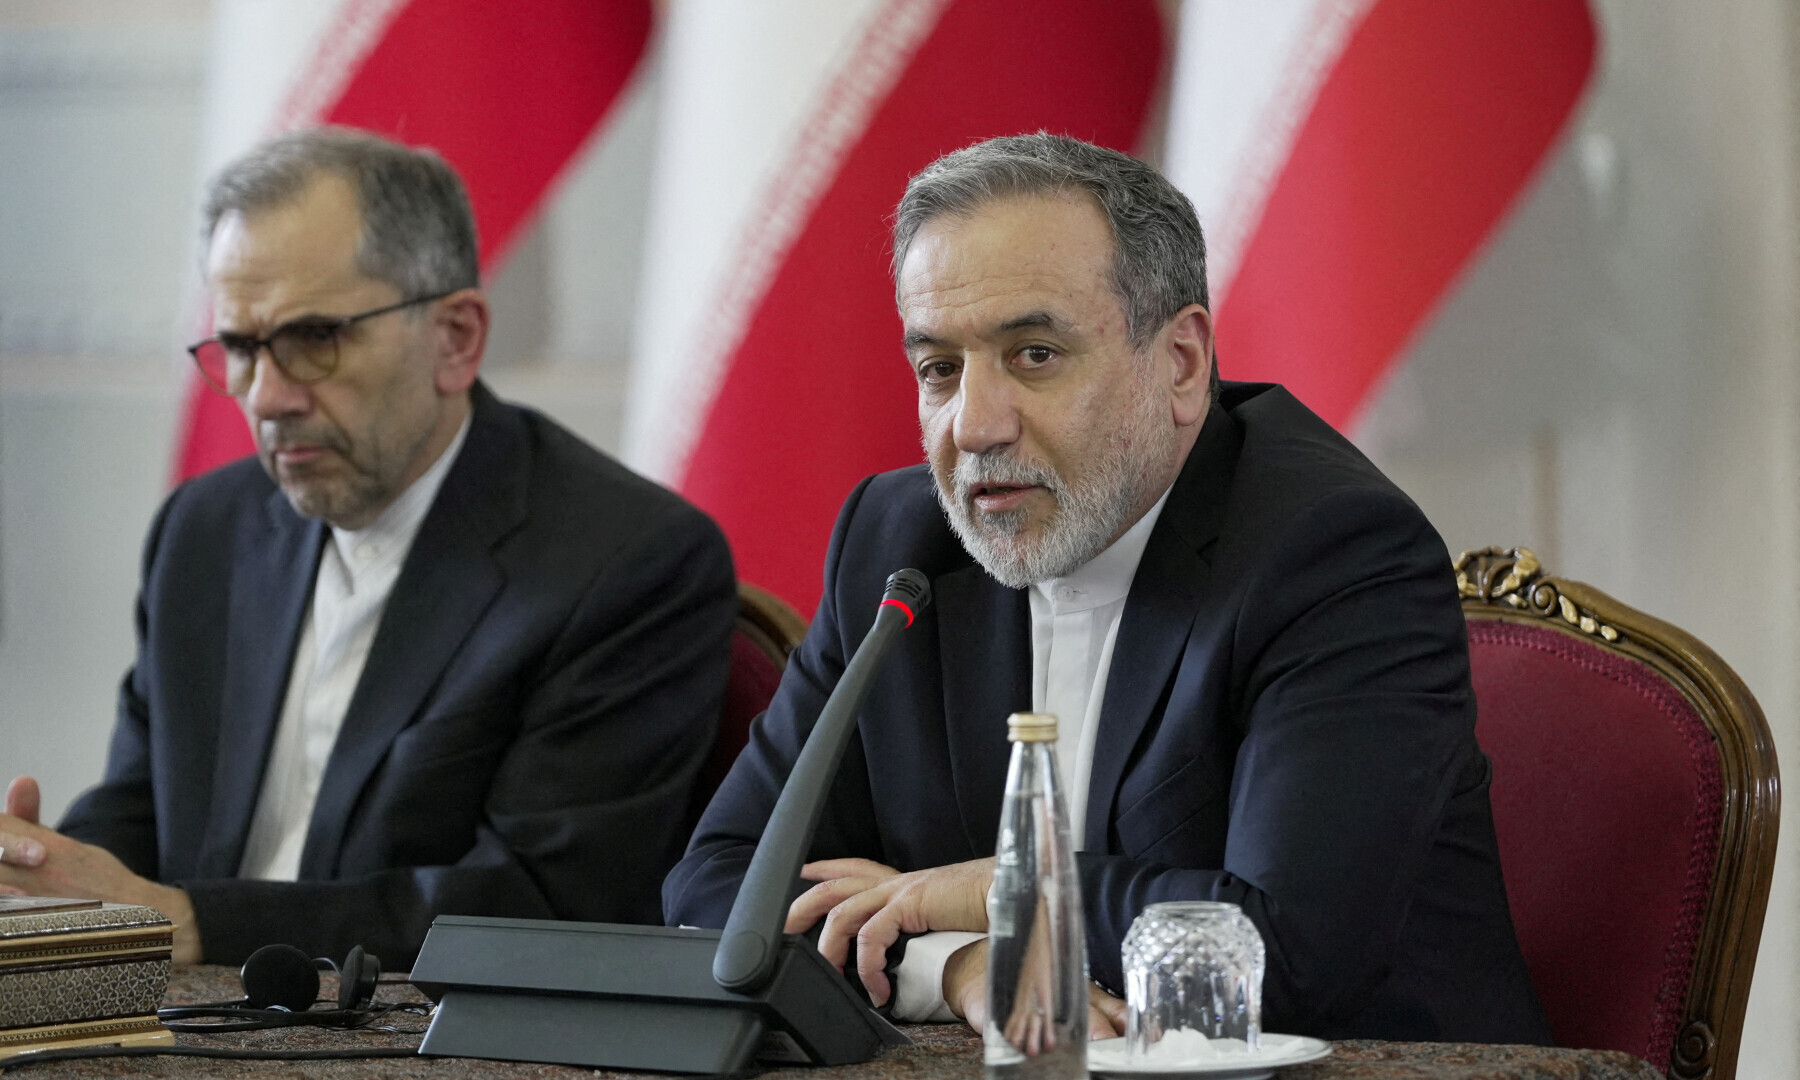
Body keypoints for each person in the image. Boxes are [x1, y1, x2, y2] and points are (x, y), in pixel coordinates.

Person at [665, 133, 1550, 1044]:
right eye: (940, 369)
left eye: (1034, 354)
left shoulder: (1333, 555)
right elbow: (719, 885)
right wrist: (962, 965)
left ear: (1180, 363)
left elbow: (1284, 955)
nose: (974, 425)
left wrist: (999, 891)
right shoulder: (901, 546)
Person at [0, 128, 737, 969]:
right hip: (186, 1020)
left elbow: (543, 906)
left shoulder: (626, 562)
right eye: (239, 347)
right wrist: (51, 881)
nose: (266, 397)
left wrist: (197, 924)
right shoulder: (205, 530)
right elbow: (140, 814)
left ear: (455, 339)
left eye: (314, 338)